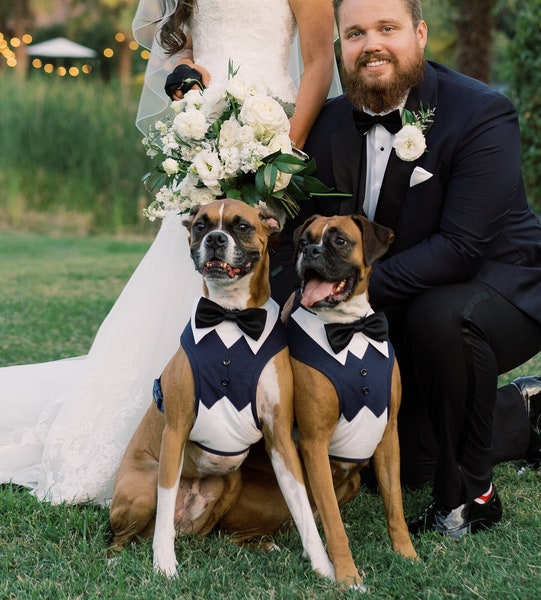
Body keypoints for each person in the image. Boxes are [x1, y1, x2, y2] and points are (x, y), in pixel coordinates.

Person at [0, 0, 339, 505]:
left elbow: (319, 61)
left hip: (274, 142)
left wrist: (283, 152)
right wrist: (189, 101)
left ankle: (256, 445)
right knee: (179, 286)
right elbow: (173, 59)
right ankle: (161, 432)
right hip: (204, 143)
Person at [271, 0, 541, 538]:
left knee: (443, 318)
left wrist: (343, 292)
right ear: (340, 45)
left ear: (420, 34)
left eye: (388, 28)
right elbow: (294, 231)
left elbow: (462, 247)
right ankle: (520, 410)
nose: (372, 45)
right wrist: (293, 289)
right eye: (356, 33)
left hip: (501, 286)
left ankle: (470, 496)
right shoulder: (327, 120)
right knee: (409, 463)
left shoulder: (481, 113)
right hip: (397, 301)